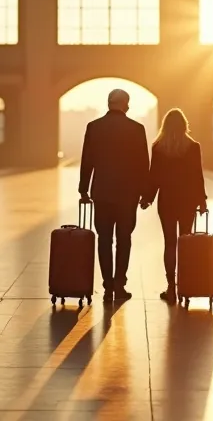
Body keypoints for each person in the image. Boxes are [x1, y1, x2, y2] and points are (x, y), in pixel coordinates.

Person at [78, 88, 150, 303]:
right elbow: (142, 164)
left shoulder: (94, 127)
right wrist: (145, 194)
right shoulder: (137, 129)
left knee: (104, 239)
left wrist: (83, 189)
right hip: (128, 195)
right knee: (124, 240)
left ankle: (107, 286)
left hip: (102, 193)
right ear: (125, 104)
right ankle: (120, 285)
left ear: (109, 103)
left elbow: (87, 160)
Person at [140, 108, 206, 303]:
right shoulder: (193, 146)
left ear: (165, 125)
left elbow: (154, 176)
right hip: (187, 201)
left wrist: (147, 198)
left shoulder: (158, 147)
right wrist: (201, 201)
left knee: (170, 243)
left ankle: (171, 288)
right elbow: (197, 176)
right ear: (185, 125)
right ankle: (185, 286)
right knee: (185, 243)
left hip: (167, 200)